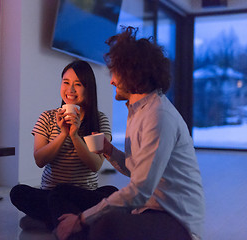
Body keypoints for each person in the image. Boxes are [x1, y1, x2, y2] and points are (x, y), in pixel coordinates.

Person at [55, 26, 205, 240]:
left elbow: (140, 189)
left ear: (131, 73)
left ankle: (70, 226)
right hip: (147, 209)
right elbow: (138, 169)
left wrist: (82, 219)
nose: (111, 81)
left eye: (115, 73)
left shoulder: (158, 116)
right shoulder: (138, 110)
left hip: (174, 220)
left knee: (105, 224)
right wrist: (109, 151)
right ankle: (68, 226)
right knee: (68, 193)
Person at [10, 60, 118, 230]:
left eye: (78, 84)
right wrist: (63, 134)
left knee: (112, 192)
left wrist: (75, 135)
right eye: (66, 82)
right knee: (18, 192)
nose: (71, 90)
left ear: (88, 88)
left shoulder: (99, 120)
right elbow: (39, 160)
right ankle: (79, 220)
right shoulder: (46, 117)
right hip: (51, 193)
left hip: (83, 194)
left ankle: (53, 221)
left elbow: (95, 165)